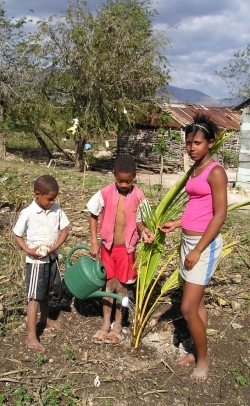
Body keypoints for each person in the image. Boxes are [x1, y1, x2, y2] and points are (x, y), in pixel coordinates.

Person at [159, 113, 228, 382]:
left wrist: (198, 249)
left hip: (205, 245)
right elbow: (198, 207)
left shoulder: (216, 171)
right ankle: (196, 352)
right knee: (196, 305)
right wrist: (177, 223)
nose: (192, 148)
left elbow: (219, 215)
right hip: (189, 241)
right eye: (188, 143)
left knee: (187, 308)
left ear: (210, 143)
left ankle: (204, 360)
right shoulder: (196, 169)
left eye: (197, 143)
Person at [86, 155, 154, 344]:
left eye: (128, 181)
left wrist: (145, 231)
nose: (124, 185)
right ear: (114, 176)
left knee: (122, 288)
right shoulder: (105, 192)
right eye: (120, 181)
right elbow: (93, 215)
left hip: (127, 251)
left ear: (135, 177)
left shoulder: (139, 196)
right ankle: (105, 323)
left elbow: (140, 222)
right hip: (107, 248)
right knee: (108, 286)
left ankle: (118, 324)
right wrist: (93, 242)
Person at [13, 175, 69, 351]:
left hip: (51, 258)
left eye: (54, 199)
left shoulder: (57, 209)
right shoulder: (28, 213)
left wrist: (54, 248)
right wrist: (28, 250)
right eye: (49, 199)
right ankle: (31, 335)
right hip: (36, 262)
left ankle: (44, 319)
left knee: (45, 293)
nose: (52, 202)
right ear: (37, 194)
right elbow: (17, 234)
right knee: (34, 297)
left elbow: (65, 230)